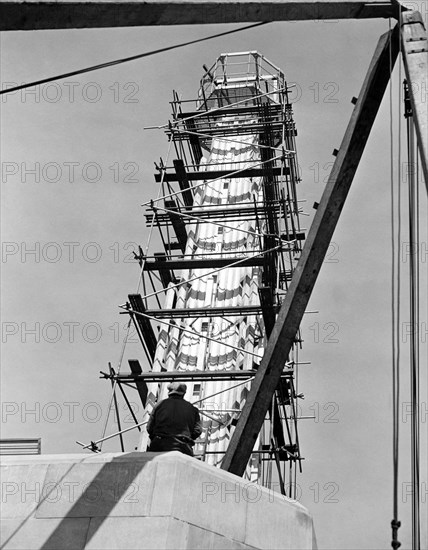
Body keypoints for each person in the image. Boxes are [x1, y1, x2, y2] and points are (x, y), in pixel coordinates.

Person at [147, 382, 202, 456]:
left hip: (159, 446)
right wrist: (186, 436)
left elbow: (149, 428)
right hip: (183, 447)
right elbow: (197, 430)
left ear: (169, 393)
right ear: (183, 393)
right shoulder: (192, 409)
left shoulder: (159, 406)